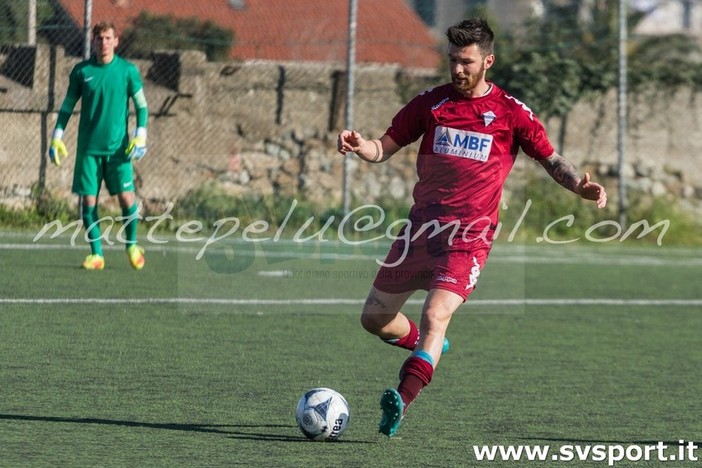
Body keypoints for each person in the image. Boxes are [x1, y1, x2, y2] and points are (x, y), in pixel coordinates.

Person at [337, 18, 607, 437]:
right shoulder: (430, 104)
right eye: (452, 61)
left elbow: (552, 160)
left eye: (466, 62)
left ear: (488, 62)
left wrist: (579, 186)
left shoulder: (511, 113)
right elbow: (383, 148)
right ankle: (428, 349)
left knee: (434, 313)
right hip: (419, 232)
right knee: (374, 318)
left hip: (469, 238)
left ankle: (401, 401)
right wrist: (361, 146)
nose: (457, 69)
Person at [49, 21, 149, 270]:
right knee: (88, 203)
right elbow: (67, 106)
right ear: (92, 42)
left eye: (108, 38)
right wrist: (57, 136)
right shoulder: (82, 71)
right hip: (88, 151)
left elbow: (142, 106)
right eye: (99, 38)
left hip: (118, 151)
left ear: (116, 41)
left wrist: (141, 135)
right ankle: (97, 255)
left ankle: (132, 245)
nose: (103, 43)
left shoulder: (127, 71)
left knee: (127, 198)